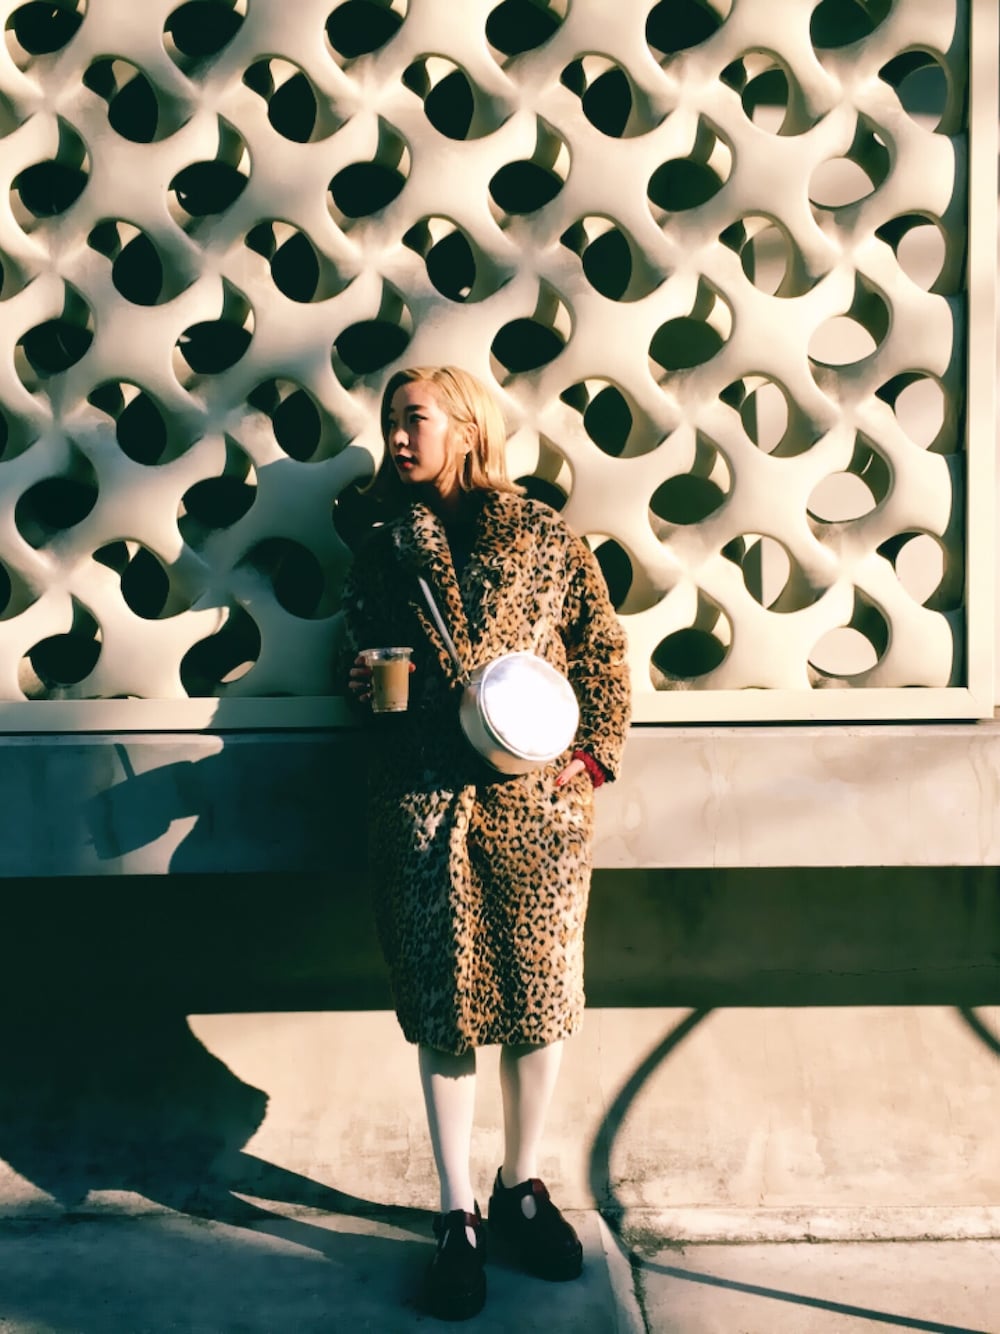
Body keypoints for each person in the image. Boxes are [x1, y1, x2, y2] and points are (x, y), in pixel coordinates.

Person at [340, 365, 631, 1321]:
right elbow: (357, 656)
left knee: (540, 1005)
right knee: (444, 1008)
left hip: (535, 810)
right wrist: (370, 686)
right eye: (389, 421)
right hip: (425, 804)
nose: (396, 437)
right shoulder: (383, 544)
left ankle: (522, 1185)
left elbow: (601, 649)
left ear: (466, 425)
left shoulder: (544, 534)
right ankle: (456, 1212)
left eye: (413, 418)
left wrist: (589, 759)